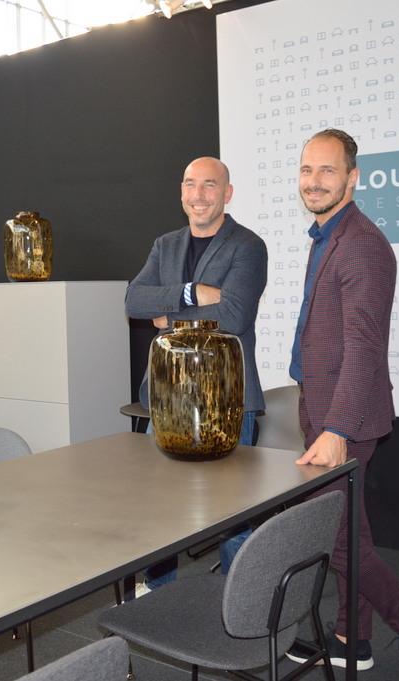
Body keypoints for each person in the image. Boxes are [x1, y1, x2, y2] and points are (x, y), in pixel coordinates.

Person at [286, 129, 399, 670]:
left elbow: (363, 347)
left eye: (327, 171)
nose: (314, 181)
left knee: (339, 541)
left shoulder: (361, 243)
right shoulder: (327, 235)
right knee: (349, 532)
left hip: (345, 418)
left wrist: (336, 430)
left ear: (353, 177)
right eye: (307, 170)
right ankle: (351, 639)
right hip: (322, 406)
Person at [125, 156, 268, 590]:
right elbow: (134, 301)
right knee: (162, 505)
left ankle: (242, 602)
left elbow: (235, 315)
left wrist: (168, 315)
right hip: (169, 400)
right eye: (190, 184)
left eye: (209, 185)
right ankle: (159, 593)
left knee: (233, 514)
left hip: (228, 399)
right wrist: (192, 292)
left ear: (227, 193)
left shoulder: (247, 246)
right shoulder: (165, 245)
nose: (199, 195)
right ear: (181, 192)